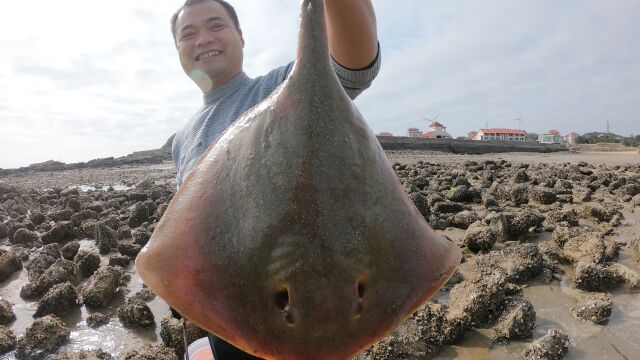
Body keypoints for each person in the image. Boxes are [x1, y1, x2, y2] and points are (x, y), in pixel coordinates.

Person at [168, 0, 380, 358]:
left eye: (216, 25)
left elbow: (353, 65)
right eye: (188, 34)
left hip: (315, 301)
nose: (203, 38)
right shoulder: (182, 139)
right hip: (233, 319)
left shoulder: (285, 87)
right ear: (178, 50)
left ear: (241, 37)